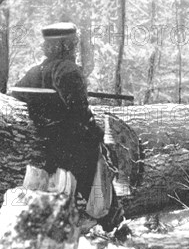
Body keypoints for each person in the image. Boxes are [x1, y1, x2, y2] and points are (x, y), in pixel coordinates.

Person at [13, 22, 124, 233]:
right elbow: (81, 114)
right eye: (73, 44)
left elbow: (16, 96)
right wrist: (99, 133)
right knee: (99, 171)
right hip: (73, 147)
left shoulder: (36, 71)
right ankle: (116, 226)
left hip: (47, 144)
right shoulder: (70, 71)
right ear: (69, 46)